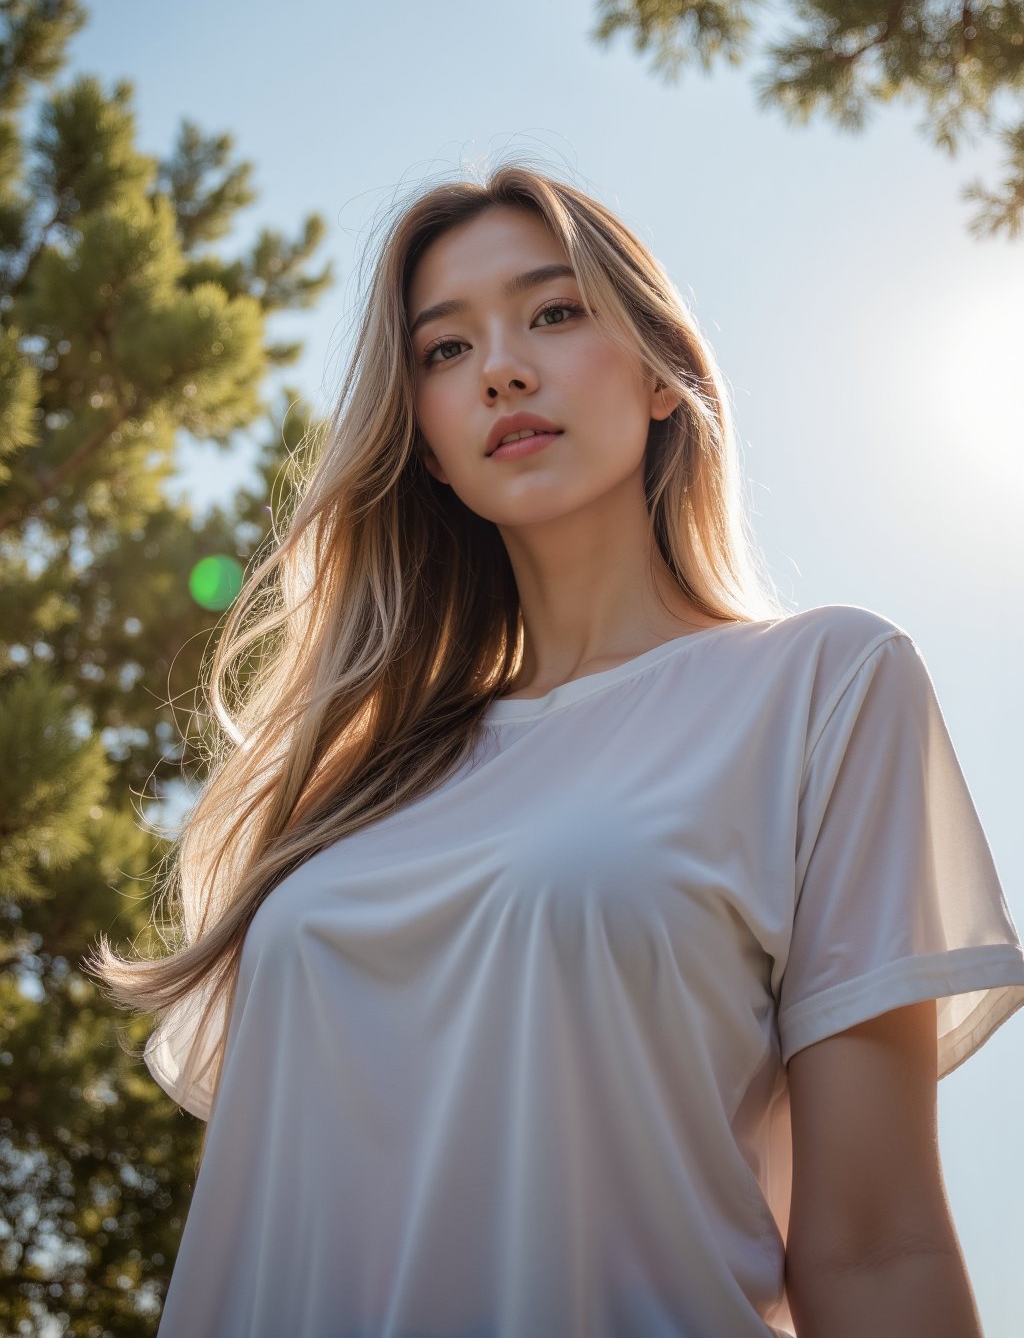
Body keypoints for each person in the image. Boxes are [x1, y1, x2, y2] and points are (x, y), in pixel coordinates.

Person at [85, 165, 1024, 1337]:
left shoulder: (823, 687)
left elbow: (877, 1246)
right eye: (444, 350)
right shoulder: (350, 786)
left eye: (556, 312)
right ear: (425, 443)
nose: (502, 369)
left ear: (663, 372)